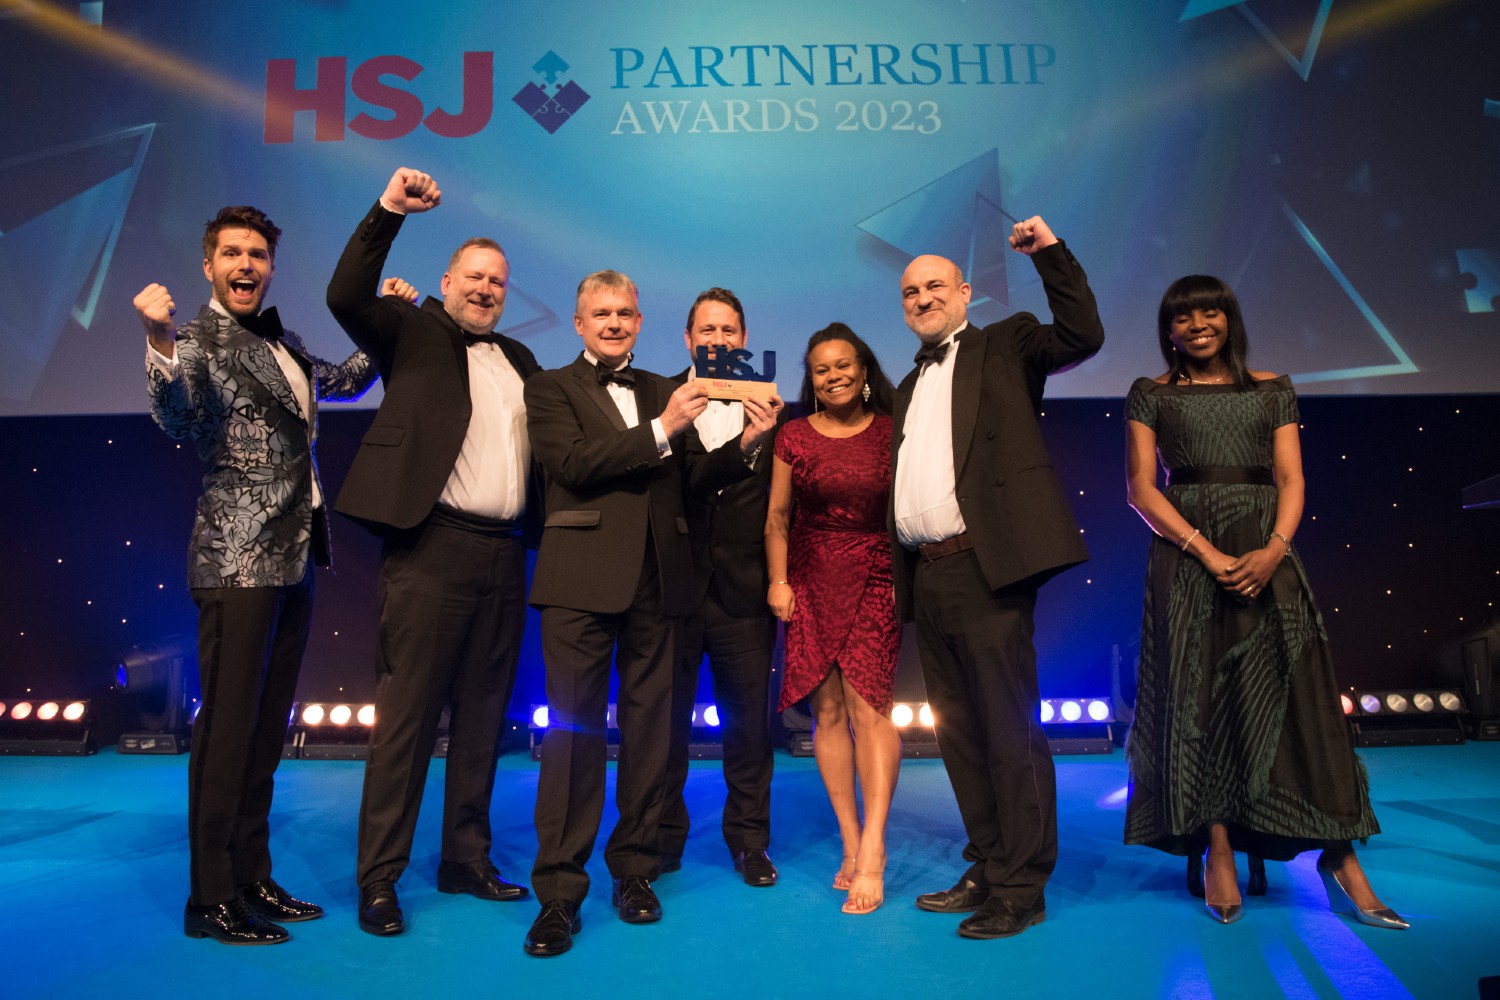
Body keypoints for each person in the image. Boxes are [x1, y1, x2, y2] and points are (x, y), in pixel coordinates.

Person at [1123, 274, 1404, 929]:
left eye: (1209, 313)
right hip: (1188, 555)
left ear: (1229, 318)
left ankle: (1339, 854)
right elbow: (1141, 489)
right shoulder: (1150, 393)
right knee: (1199, 701)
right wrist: (1209, 552)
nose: (1196, 325)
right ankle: (1216, 844)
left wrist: (1274, 548)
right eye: (1182, 317)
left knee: (1297, 699)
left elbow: (1291, 478)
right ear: (1168, 329)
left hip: (1266, 547)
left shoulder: (1273, 388)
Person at [136, 206, 378, 945]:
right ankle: (209, 897)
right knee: (228, 729)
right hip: (236, 560)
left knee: (266, 729)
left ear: (271, 266)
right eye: (232, 253)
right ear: (209, 265)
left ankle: (251, 874)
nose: (247, 265)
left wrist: (387, 323)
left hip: (294, 555)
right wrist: (156, 340)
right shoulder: (198, 341)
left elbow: (336, 383)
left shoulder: (281, 338)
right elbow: (179, 419)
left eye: (259, 255)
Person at [523, 271, 779, 957]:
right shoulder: (550, 388)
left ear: (639, 323)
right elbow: (572, 464)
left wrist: (749, 446)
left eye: (625, 314)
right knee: (574, 740)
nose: (613, 323)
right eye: (600, 314)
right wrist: (662, 429)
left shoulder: (665, 391)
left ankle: (635, 870)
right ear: (579, 323)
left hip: (658, 584)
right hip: (580, 583)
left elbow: (692, 478)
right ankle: (558, 891)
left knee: (649, 740)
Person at [327, 167, 542, 937]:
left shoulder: (521, 363)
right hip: (430, 550)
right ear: (447, 281)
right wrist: (389, 210)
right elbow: (345, 294)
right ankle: (380, 879)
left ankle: (465, 860)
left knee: (484, 721)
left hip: (503, 557)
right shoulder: (410, 330)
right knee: (408, 723)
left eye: (498, 282)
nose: (486, 289)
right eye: (474, 277)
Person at [891, 217, 1104, 939]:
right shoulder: (905, 385)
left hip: (989, 568)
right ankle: (986, 861)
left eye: (934, 286)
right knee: (959, 735)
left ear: (965, 292)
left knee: (1009, 733)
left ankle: (1022, 884)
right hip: (930, 575)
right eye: (910, 291)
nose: (922, 298)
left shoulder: (1006, 343)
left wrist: (1049, 251)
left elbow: (1081, 334)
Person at [765, 323, 900, 915]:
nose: (834, 375)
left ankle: (874, 846)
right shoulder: (792, 435)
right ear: (811, 380)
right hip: (811, 576)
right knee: (827, 711)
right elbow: (776, 517)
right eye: (822, 369)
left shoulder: (894, 433)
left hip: (875, 572)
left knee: (871, 706)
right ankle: (849, 838)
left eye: (844, 365)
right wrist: (778, 581)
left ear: (864, 371)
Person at [659, 288, 783, 888]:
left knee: (748, 729)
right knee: (663, 726)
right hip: (671, 592)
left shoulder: (774, 411)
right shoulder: (657, 399)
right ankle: (660, 840)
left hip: (744, 594)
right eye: (706, 330)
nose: (717, 340)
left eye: (728, 331)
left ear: (743, 341)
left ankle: (750, 842)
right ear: (687, 340)